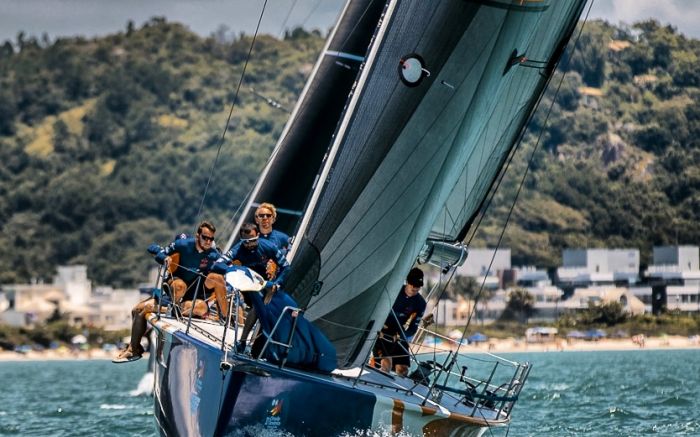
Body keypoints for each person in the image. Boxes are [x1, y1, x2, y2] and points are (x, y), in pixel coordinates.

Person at [113, 221, 222, 363]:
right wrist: (165, 258)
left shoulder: (213, 254)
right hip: (173, 292)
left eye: (211, 239)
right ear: (197, 236)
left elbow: (225, 268)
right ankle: (134, 349)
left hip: (192, 298)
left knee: (142, 309)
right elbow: (155, 250)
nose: (208, 241)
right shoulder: (183, 245)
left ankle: (133, 349)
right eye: (205, 237)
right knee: (136, 310)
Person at [210, 222, 291, 352]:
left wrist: (277, 284)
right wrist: (234, 268)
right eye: (245, 242)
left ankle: (270, 342)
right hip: (247, 283)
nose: (249, 244)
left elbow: (286, 266)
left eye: (252, 241)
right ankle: (242, 341)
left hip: (267, 283)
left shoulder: (268, 246)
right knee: (258, 305)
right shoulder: (238, 248)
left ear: (258, 235)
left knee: (272, 304)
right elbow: (217, 265)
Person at [373, 267, 427, 376]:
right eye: (413, 285)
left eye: (418, 287)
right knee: (386, 365)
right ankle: (373, 369)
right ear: (407, 282)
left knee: (403, 370)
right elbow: (376, 309)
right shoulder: (393, 291)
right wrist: (378, 326)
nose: (415, 289)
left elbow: (413, 328)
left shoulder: (420, 303)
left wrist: (402, 335)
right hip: (382, 330)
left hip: (399, 333)